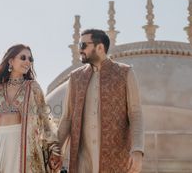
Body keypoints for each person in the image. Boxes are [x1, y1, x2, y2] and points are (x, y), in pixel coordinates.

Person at [58, 29, 144, 173]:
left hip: (115, 158)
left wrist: (137, 150)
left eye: (83, 45)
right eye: (79, 45)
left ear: (100, 47)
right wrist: (55, 150)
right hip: (83, 161)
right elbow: (67, 118)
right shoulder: (75, 77)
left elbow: (135, 114)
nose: (80, 50)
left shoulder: (125, 73)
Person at [0, 44, 62, 173]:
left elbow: (45, 120)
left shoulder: (33, 87)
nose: (28, 61)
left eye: (30, 59)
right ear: (11, 61)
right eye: (23, 57)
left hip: (23, 145)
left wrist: (55, 149)